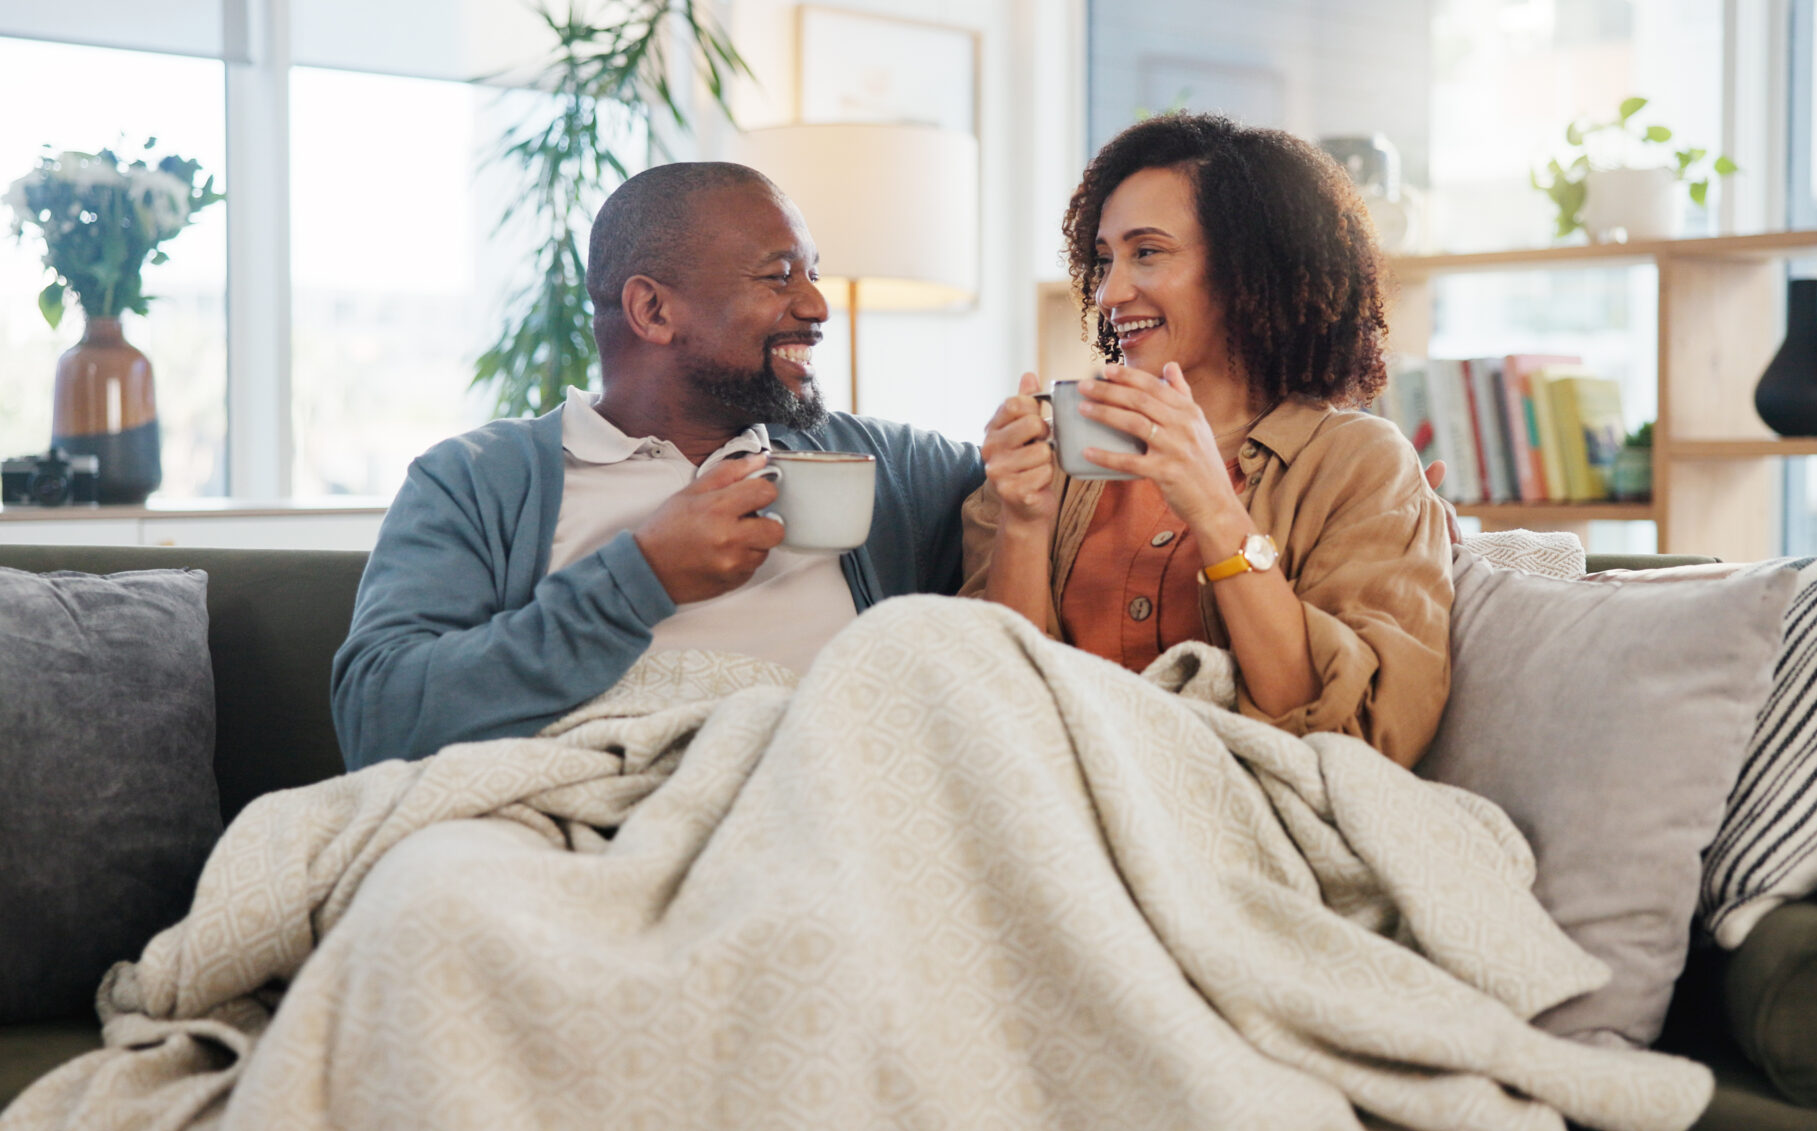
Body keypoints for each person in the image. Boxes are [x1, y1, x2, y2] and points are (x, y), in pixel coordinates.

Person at [332, 162, 983, 771]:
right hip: (580, 815)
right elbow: (378, 719)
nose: (817, 306)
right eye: (780, 276)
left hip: (821, 801)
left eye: (812, 273)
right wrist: (639, 577)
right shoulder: (477, 480)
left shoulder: (880, 465)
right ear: (653, 311)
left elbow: (1058, 508)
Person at [963, 113, 1452, 768]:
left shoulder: (1360, 465)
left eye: (1148, 252)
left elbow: (1353, 742)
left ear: (1252, 269)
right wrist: (1023, 523)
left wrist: (1215, 510)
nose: (1110, 292)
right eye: (1104, 259)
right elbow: (991, 710)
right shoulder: (1053, 453)